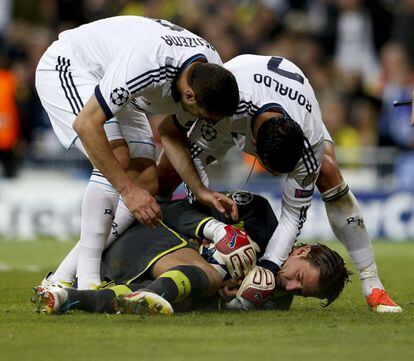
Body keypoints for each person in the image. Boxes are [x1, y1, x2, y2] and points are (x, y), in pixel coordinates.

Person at [157, 54, 402, 313]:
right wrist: (205, 221)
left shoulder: (309, 141)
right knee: (169, 172)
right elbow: (191, 158)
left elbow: (293, 214)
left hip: (296, 108)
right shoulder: (228, 108)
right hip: (237, 90)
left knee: (327, 169)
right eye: (274, 171)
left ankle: (372, 284)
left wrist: (269, 268)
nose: (276, 177)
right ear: (257, 153)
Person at [35, 16, 239, 290]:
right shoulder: (147, 64)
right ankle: (87, 282)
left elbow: (172, 136)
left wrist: (199, 190)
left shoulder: (210, 72)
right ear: (189, 95)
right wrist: (128, 192)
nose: (208, 125)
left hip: (116, 81)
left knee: (146, 181)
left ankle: (60, 277)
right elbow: (86, 124)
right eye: (205, 117)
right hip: (71, 65)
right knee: (116, 159)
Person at [32, 191, 351, 315]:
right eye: (298, 277)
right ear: (302, 250)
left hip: (127, 272)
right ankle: (140, 295)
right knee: (209, 276)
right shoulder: (257, 216)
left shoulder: (275, 300)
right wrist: (211, 230)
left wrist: (229, 302)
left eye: (302, 292)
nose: (291, 288)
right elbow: (166, 209)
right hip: (140, 240)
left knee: (182, 301)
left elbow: (213, 309)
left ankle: (69, 298)